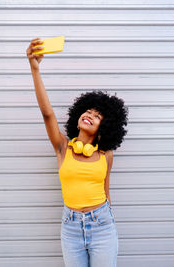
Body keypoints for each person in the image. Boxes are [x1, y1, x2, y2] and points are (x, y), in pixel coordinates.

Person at [26, 37, 128, 267]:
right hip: (70, 228)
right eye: (88, 111)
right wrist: (34, 68)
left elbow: (106, 191)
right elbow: (48, 114)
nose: (90, 115)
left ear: (104, 127)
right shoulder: (63, 147)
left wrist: (106, 217)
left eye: (98, 116)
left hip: (102, 225)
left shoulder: (106, 156)